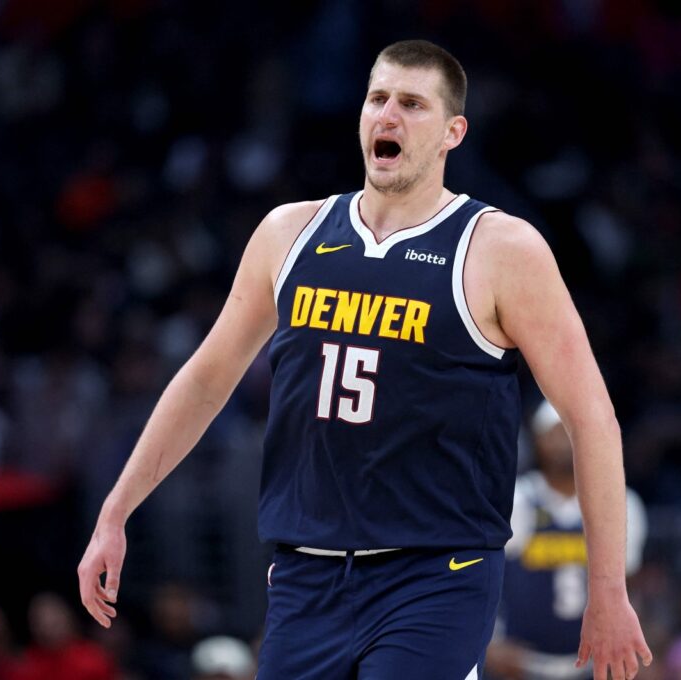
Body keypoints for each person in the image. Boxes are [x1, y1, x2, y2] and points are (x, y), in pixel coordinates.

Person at [78, 39, 651, 680]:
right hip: (306, 573)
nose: (388, 117)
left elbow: (591, 418)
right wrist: (116, 510)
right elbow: (207, 380)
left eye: (412, 104)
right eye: (378, 99)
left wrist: (608, 590)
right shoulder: (288, 234)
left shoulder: (501, 250)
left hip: (436, 575)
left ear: (452, 132)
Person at [486, 401, 647, 680]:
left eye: (570, 430)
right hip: (518, 665)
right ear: (538, 440)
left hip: (592, 666)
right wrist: (489, 641)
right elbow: (486, 578)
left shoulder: (619, 502)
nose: (564, 440)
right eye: (554, 431)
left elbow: (631, 587)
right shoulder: (518, 498)